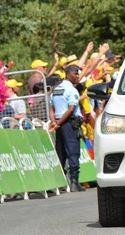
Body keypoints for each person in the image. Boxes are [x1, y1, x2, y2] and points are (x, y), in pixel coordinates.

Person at [49, 64, 85, 192]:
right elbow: (71, 109)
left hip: (59, 124)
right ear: (68, 74)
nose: (77, 76)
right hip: (69, 123)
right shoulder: (72, 90)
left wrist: (55, 122)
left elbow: (52, 109)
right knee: (73, 152)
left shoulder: (57, 89)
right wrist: (58, 123)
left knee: (61, 153)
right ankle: (74, 181)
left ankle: (61, 182)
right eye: (75, 73)